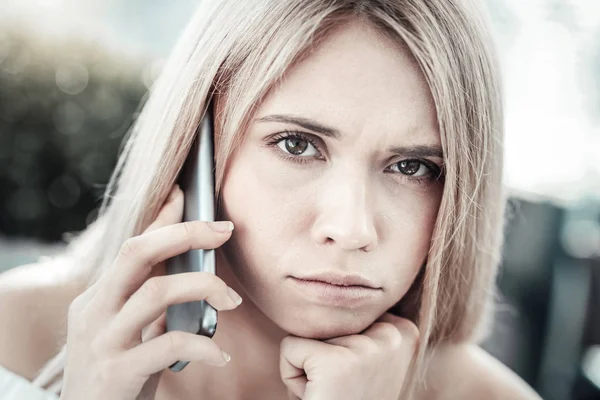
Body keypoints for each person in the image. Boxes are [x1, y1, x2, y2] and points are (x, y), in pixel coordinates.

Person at [0, 0, 543, 399]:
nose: (352, 229)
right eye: (297, 145)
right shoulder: (11, 338)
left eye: (412, 167)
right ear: (196, 147)